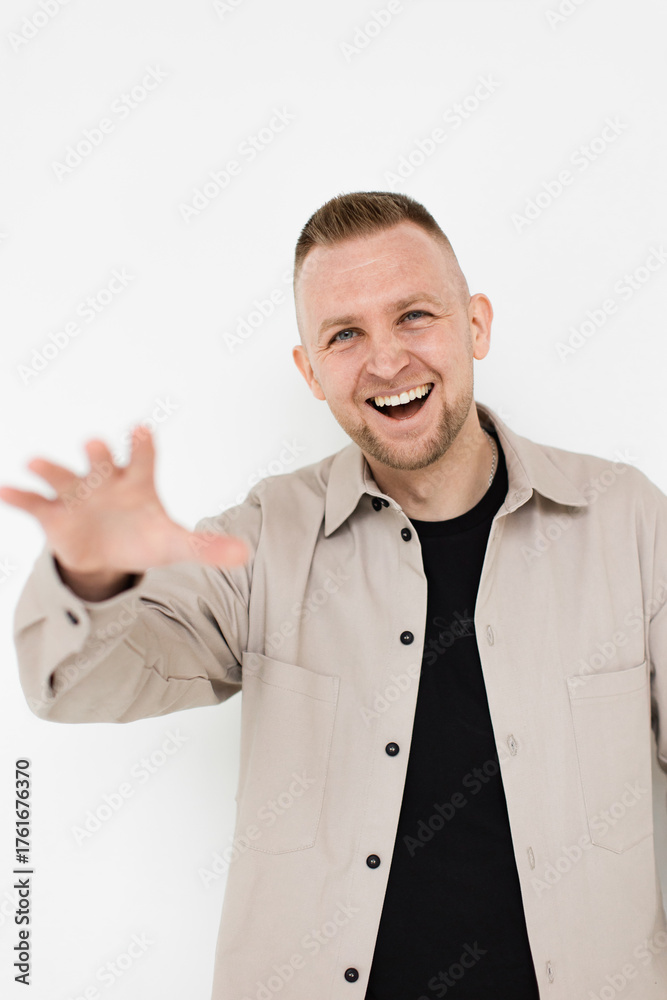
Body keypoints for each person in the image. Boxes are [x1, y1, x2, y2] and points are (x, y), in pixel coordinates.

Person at [3, 190, 667, 1000]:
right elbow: (75, 685)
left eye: (413, 315)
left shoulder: (628, 521)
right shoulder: (264, 537)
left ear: (475, 325)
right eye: (344, 334)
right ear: (309, 371)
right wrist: (93, 578)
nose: (385, 362)